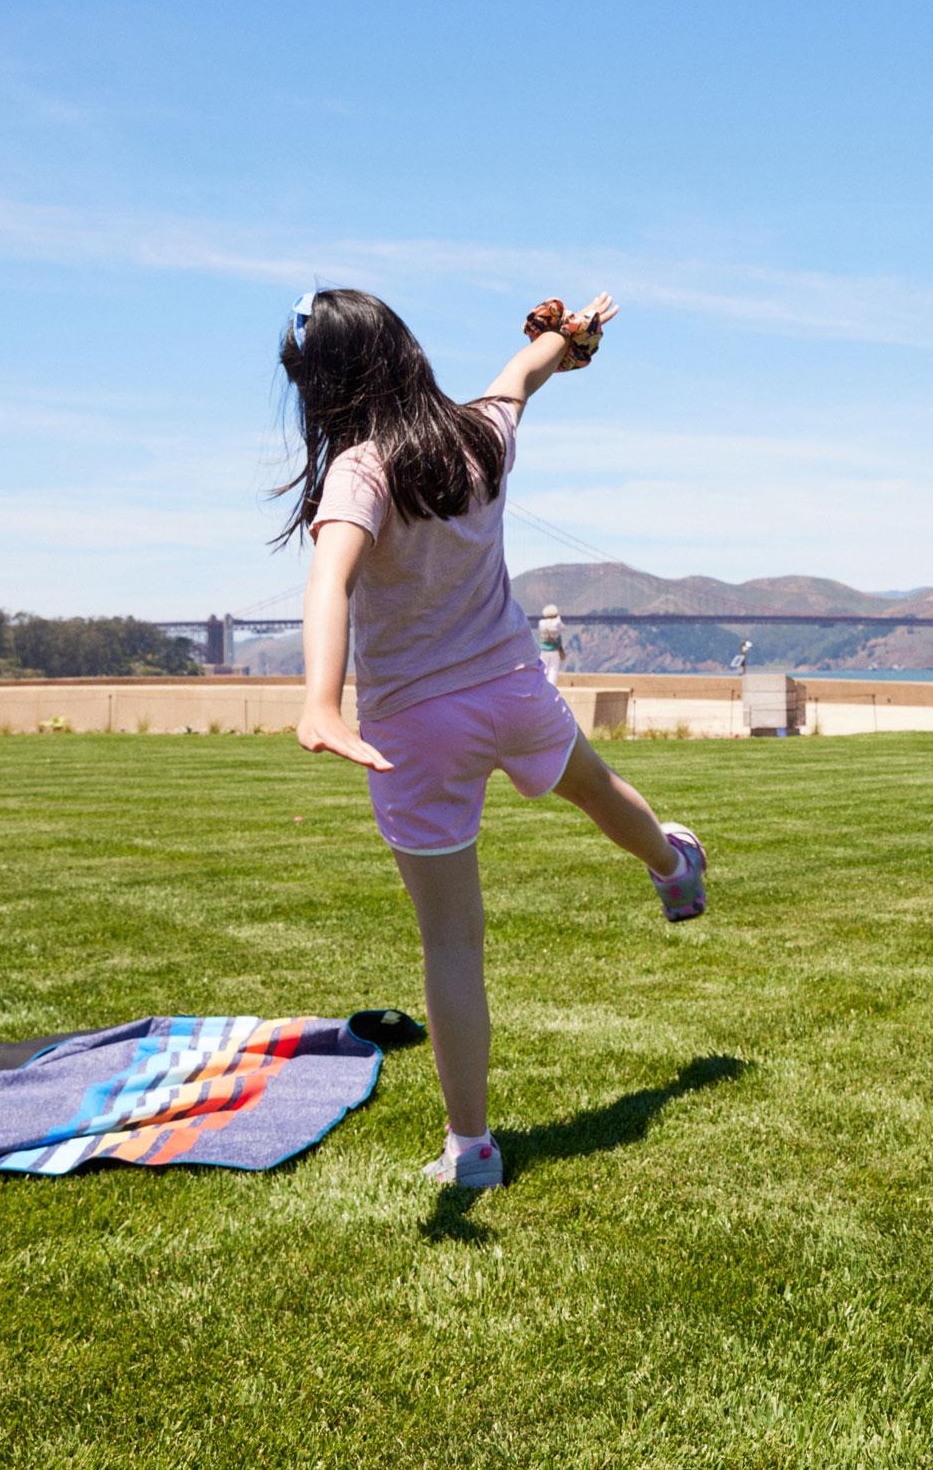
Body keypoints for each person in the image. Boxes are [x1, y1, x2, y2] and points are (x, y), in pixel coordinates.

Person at [278, 287, 708, 1188]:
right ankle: (672, 868)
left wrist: (321, 700)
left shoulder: (359, 470)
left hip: (413, 727)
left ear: (332, 383)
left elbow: (330, 579)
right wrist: (568, 336)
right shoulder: (479, 435)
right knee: (595, 789)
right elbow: (526, 372)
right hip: (513, 689)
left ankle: (471, 1149)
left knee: (452, 941)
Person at [536, 603, 567, 682]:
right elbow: (561, 632)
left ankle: (543, 686)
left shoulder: (542, 623)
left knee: (544, 669)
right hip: (554, 650)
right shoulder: (556, 623)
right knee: (553, 669)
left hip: (543, 650)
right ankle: (551, 688)